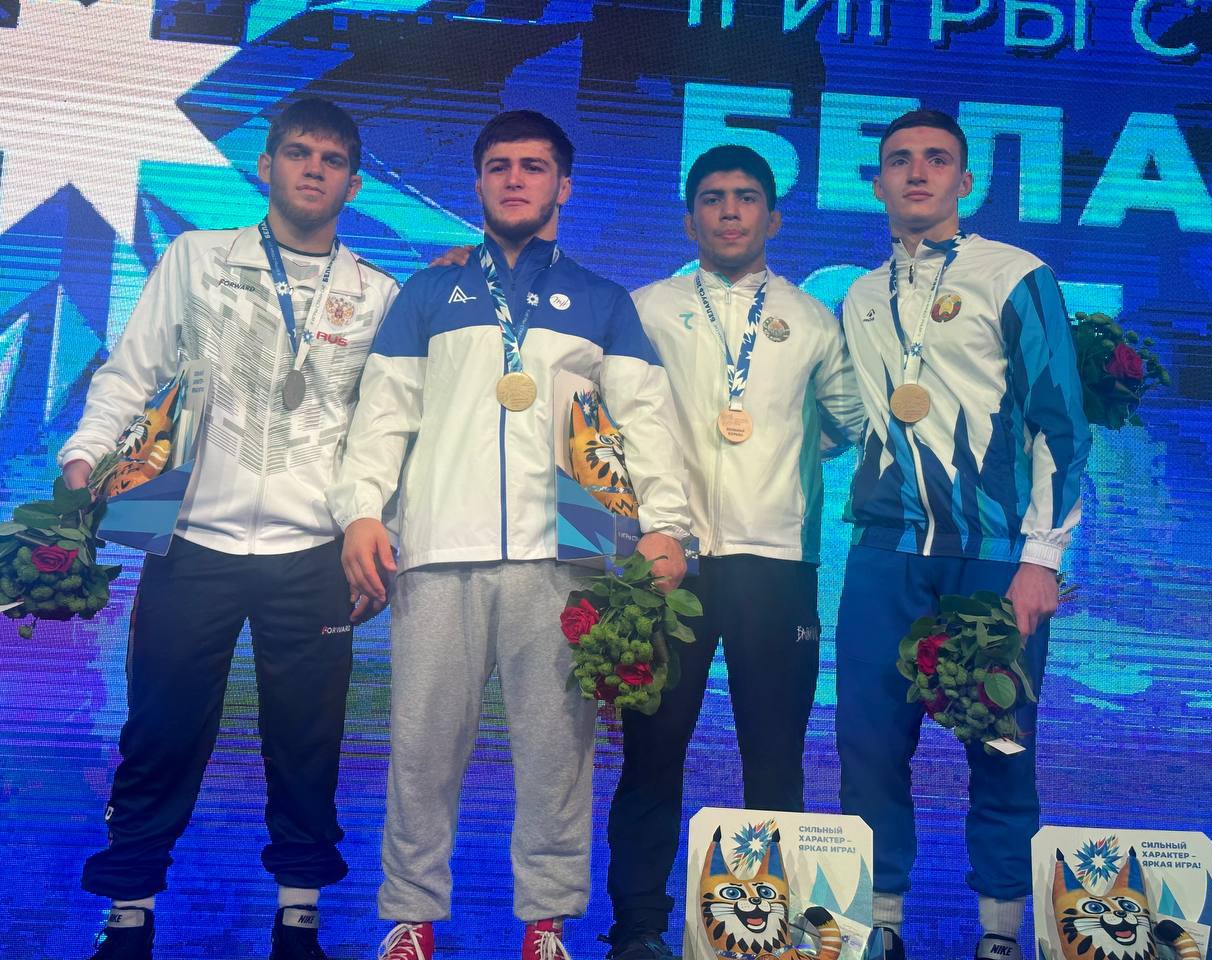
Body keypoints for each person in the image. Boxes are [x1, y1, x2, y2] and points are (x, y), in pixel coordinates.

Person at [327, 110, 693, 960]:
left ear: (564, 185)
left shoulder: (603, 301)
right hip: (437, 548)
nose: (516, 179)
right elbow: (382, 418)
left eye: (533, 166)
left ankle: (546, 924)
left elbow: (646, 425)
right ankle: (411, 917)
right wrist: (361, 512)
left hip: (570, 549)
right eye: (499, 166)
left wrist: (668, 525)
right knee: (421, 747)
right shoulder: (429, 293)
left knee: (559, 752)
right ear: (479, 183)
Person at [59, 97, 399, 960]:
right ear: (265, 164)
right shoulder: (197, 258)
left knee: (308, 741)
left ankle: (298, 921)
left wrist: (377, 533)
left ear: (354, 184)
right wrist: (83, 461)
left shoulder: (379, 294)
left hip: (313, 554)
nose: (314, 168)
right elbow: (132, 372)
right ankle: (128, 914)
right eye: (299, 152)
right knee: (160, 732)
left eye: (331, 159)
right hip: (192, 541)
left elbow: (385, 434)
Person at [835, 109, 1092, 960]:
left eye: (937, 159)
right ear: (877, 182)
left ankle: (999, 933)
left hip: (991, 557)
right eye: (900, 160)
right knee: (870, 744)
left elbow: (1061, 425)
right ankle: (879, 924)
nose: (918, 172)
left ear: (965, 180)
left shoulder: (1015, 274)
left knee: (1002, 743)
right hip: (885, 554)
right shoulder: (859, 297)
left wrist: (1041, 558)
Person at [598, 145, 864, 960]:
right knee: (651, 752)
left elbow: (847, 420)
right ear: (689, 220)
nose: (729, 211)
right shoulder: (646, 308)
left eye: (746, 197)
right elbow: (605, 418)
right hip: (667, 560)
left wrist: (778, 461)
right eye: (712, 198)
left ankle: (768, 931)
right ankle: (638, 927)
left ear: (773, 218)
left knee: (775, 757)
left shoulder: (812, 320)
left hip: (776, 565)